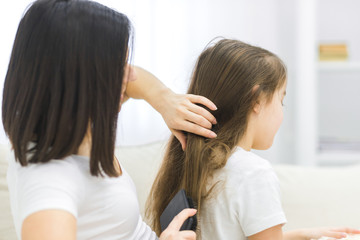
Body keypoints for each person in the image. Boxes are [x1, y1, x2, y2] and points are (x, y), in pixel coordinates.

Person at [2, 0, 218, 239]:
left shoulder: (59, 127)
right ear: (81, 78)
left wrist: (164, 100)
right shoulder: (49, 181)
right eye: (117, 67)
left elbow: (135, 82)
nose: (131, 75)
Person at [146, 39, 360, 240]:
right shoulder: (254, 172)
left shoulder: (192, 160)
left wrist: (302, 234)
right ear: (256, 100)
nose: (281, 112)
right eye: (281, 99)